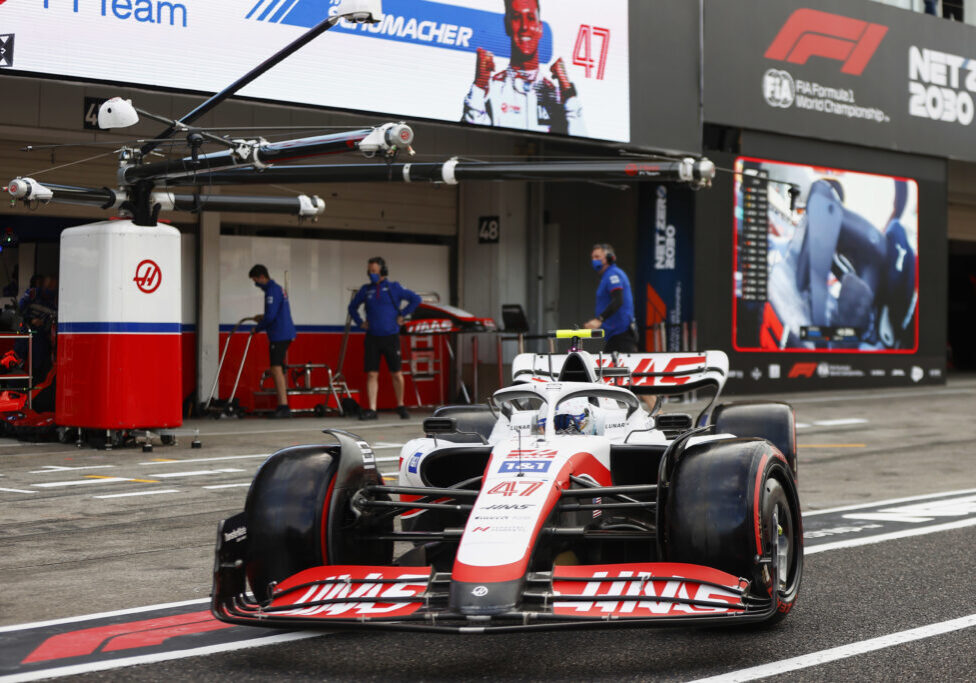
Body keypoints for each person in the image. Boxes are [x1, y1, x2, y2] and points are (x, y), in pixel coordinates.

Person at [462, 0, 585, 135]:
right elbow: (470, 139)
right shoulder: (492, 89)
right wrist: (479, 87)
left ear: (540, 28)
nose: (524, 27)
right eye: (516, 18)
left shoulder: (555, 95)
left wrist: (569, 94)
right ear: (507, 25)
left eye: (531, 18)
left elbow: (580, 145)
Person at [348, 257, 421, 420]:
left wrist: (402, 315)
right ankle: (373, 409)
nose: (371, 274)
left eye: (374, 271)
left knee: (396, 373)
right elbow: (352, 307)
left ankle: (401, 405)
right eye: (369, 271)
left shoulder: (394, 287)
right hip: (372, 337)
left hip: (391, 336)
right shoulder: (366, 290)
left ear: (383, 271)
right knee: (372, 374)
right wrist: (360, 322)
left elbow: (416, 299)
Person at [248, 264, 296, 419]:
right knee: (278, 369)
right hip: (283, 333)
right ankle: (283, 404)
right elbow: (272, 312)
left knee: (275, 369)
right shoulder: (277, 288)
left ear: (262, 277)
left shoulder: (271, 291)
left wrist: (257, 328)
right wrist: (261, 317)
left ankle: (283, 405)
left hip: (279, 334)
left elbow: (271, 316)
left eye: (256, 280)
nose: (256, 284)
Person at [584, 243, 638, 353]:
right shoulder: (607, 276)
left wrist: (599, 319)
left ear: (608, 258)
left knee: (620, 368)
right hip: (614, 335)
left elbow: (618, 300)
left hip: (621, 334)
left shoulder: (613, 275)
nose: (594, 260)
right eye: (592, 257)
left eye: (597, 257)